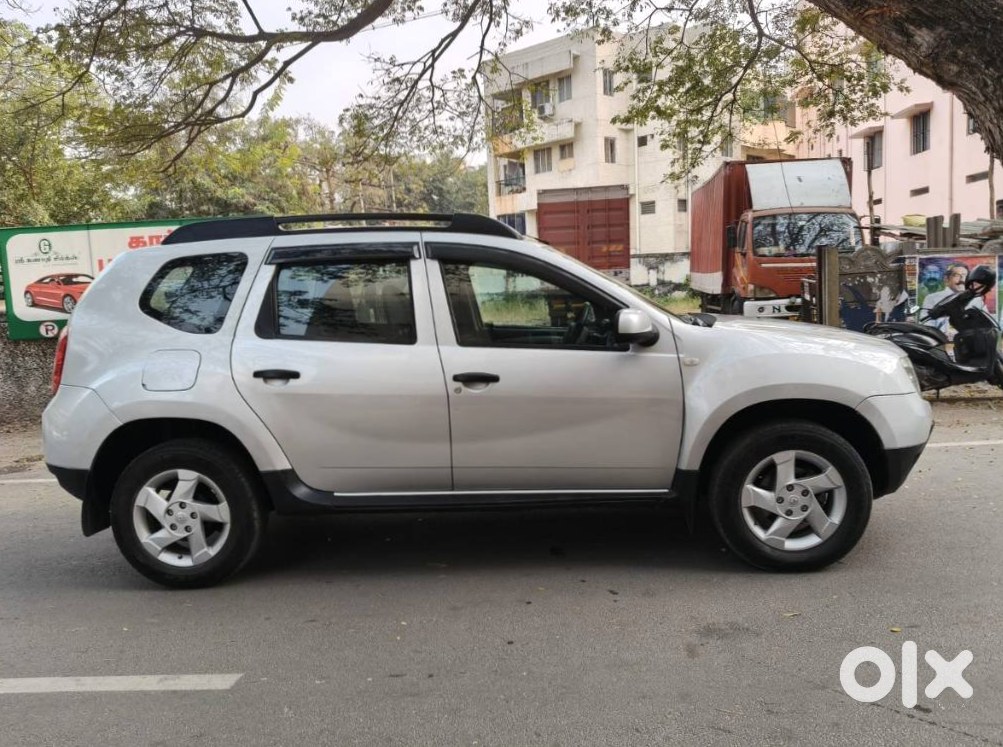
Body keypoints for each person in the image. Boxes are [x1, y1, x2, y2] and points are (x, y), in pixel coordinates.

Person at [921, 262, 985, 334]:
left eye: (965, 276)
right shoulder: (932, 298)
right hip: (942, 341)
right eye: (957, 275)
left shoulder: (976, 299)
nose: (962, 279)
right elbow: (927, 325)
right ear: (946, 279)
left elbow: (986, 323)